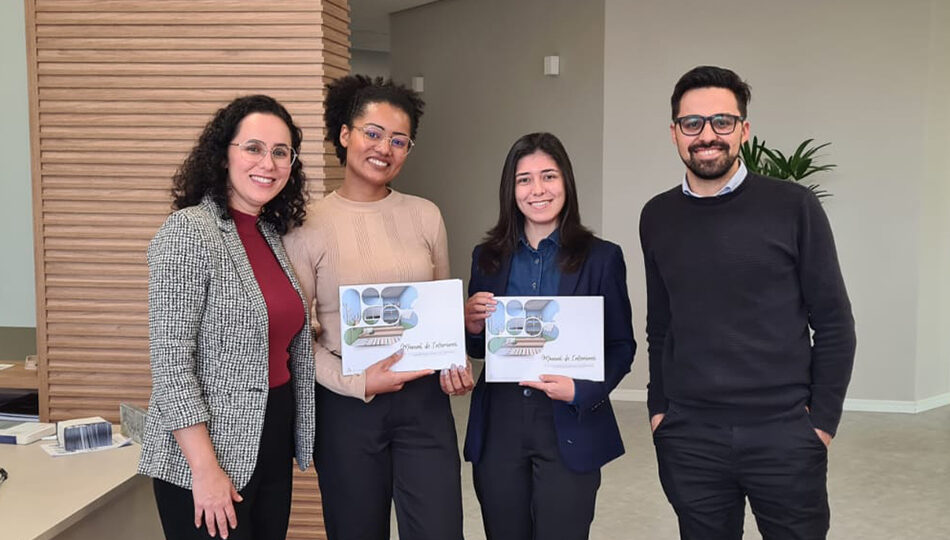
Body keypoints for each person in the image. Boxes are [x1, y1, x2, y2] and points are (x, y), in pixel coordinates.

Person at [640, 65, 857, 539]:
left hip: (783, 432)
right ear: (675, 132)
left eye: (722, 121)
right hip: (690, 434)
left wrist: (820, 423)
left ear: (744, 129)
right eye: (692, 123)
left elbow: (835, 322)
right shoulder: (657, 216)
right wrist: (660, 411)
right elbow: (661, 325)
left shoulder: (794, 206)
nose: (707, 135)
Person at [283, 75, 472, 540]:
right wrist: (355, 382)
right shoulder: (306, 225)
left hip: (424, 404)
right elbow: (295, 338)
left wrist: (455, 362)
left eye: (399, 140)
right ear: (345, 135)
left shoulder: (426, 214)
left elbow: (440, 313)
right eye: (372, 133)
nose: (384, 148)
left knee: (439, 530)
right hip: (348, 408)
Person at [138, 95, 315, 540]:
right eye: (253, 148)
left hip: (270, 433)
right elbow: (172, 366)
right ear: (223, 155)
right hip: (208, 450)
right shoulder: (188, 232)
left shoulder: (269, 232)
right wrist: (205, 469)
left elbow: (264, 326)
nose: (268, 163)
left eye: (281, 152)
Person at [461, 132, 636, 540]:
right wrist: (469, 325)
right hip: (500, 420)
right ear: (511, 189)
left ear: (566, 183)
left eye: (548, 176)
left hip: (568, 420)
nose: (537, 190)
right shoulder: (486, 256)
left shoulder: (602, 257)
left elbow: (621, 346)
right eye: (524, 179)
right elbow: (478, 346)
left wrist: (581, 390)